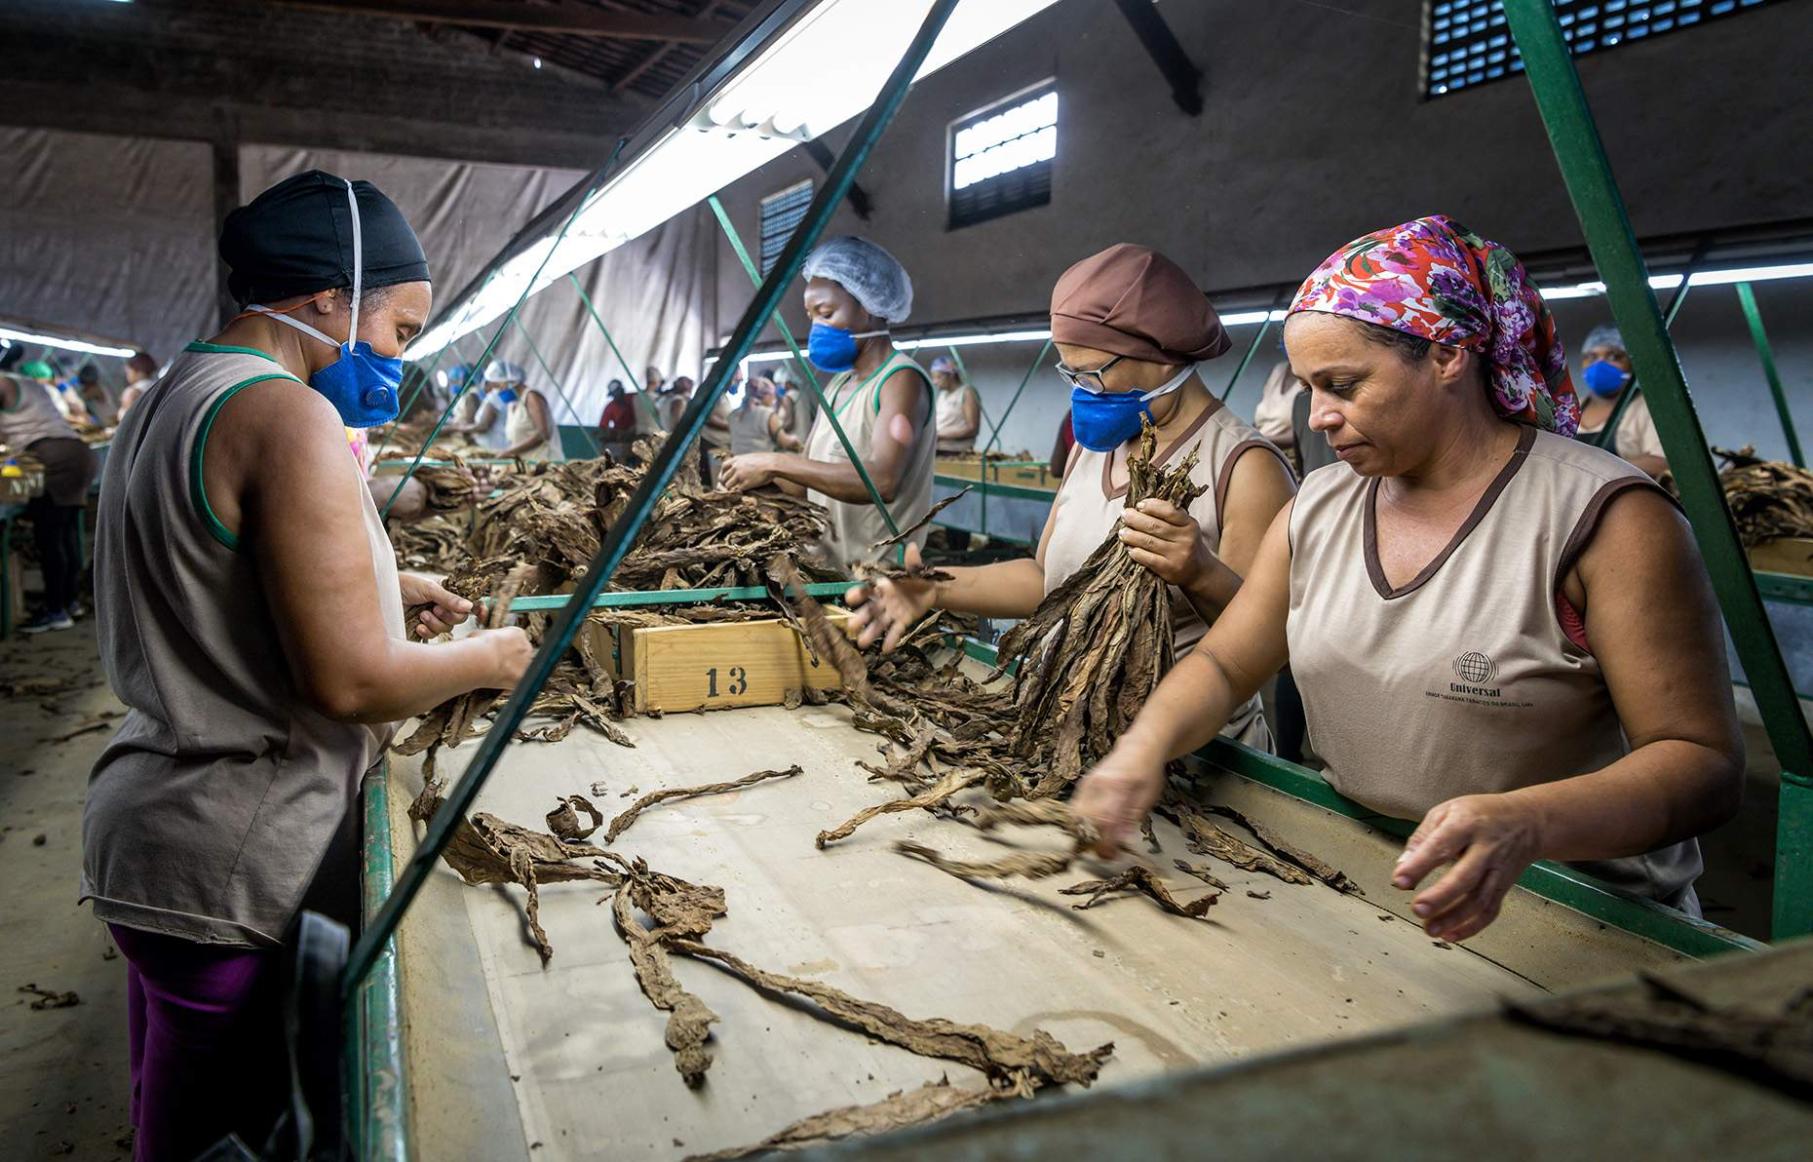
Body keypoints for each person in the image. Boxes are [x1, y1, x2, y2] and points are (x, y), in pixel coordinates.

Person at [1071, 216, 1742, 942]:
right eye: (1307, 388)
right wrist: (1141, 748)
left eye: (1343, 385)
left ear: (1447, 355)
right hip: (1357, 880)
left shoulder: (1605, 518)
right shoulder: (1319, 507)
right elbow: (1226, 660)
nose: (1318, 416)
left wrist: (1528, 822)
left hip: (1575, 917)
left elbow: (1699, 763)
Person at [82, 170, 533, 1160]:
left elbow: (204, 569)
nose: (396, 360)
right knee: (230, 1136)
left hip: (154, 831)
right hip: (232, 852)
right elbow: (352, 685)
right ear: (328, 298)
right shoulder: (289, 417)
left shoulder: (172, 395)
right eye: (400, 331)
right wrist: (488, 657)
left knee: (173, 1108)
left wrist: (381, 579)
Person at [848, 244, 1295, 750]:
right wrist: (933, 590)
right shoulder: (1091, 447)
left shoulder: (1243, 465)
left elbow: (1261, 649)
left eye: (1093, 374)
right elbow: (1046, 579)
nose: (1081, 391)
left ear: (1163, 357)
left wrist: (1200, 572)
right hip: (1078, 730)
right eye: (1071, 374)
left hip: (1194, 758)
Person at [719, 236, 936, 565]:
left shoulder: (900, 381)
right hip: (829, 572)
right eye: (811, 316)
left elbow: (883, 481)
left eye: (826, 313)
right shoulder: (837, 386)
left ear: (868, 306)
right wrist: (752, 475)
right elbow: (803, 486)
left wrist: (774, 462)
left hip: (880, 582)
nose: (817, 327)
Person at [1, 365, 100, 633]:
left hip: (53, 458)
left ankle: (55, 609)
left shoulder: (6, 384)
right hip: (77, 453)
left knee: (50, 538)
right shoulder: (33, 386)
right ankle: (69, 603)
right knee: (65, 534)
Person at [1573, 324, 1667, 478]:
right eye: (1591, 357)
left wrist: (1598, 469)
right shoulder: (1571, 409)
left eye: (1614, 356)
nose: (1600, 364)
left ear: (1632, 363)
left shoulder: (1650, 407)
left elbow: (1663, 462)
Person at [486, 360, 560, 461]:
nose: (497, 391)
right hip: (525, 461)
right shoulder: (512, 404)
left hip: (543, 462)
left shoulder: (531, 397)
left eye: (499, 386)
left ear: (511, 381)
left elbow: (542, 434)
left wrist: (509, 452)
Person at [930, 354, 981, 454]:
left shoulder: (966, 393)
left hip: (957, 451)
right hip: (938, 449)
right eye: (933, 378)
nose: (934, 382)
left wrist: (939, 435)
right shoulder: (942, 395)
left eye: (938, 377)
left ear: (951, 375)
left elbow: (972, 428)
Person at [729, 375, 780, 456]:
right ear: (765, 395)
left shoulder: (733, 414)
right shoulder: (767, 414)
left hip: (738, 462)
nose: (774, 399)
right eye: (772, 395)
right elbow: (783, 441)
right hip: (759, 464)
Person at [597, 378, 638, 463]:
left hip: (638, 432)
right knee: (617, 452)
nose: (616, 397)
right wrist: (613, 435)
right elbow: (602, 427)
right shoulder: (610, 407)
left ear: (622, 390)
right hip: (622, 437)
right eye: (613, 395)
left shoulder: (633, 398)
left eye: (617, 393)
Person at [116, 351, 160, 418]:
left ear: (137, 370)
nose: (127, 376)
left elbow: (127, 419)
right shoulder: (157, 384)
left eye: (128, 372)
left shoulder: (131, 392)